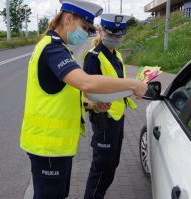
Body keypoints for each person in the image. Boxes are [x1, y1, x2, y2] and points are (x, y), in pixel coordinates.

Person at [19, 1, 147, 198]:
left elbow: (64, 95)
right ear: (69, 19)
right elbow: (85, 83)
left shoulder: (60, 48)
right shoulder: (52, 49)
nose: (87, 35)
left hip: (56, 147)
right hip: (47, 147)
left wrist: (93, 105)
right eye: (85, 28)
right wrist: (132, 84)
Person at [83, 13, 137, 199]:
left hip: (117, 118)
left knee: (111, 166)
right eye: (110, 33)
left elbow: (117, 83)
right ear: (101, 30)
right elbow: (85, 93)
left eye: (119, 34)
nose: (114, 37)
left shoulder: (117, 55)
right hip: (103, 119)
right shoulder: (94, 57)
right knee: (102, 168)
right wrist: (96, 105)